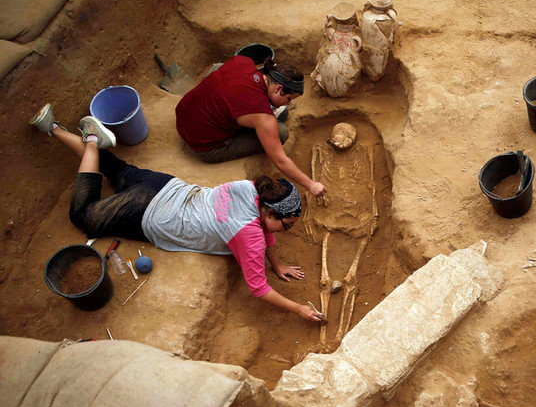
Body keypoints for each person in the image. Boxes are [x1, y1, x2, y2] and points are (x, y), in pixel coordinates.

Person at [29, 103, 325, 323]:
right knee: (84, 216)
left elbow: (266, 235)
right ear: (270, 213)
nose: (287, 231)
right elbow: (259, 289)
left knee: (114, 168)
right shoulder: (248, 235)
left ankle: (52, 126)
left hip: (163, 184)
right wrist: (299, 308)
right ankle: (93, 141)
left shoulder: (250, 188)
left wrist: (278, 263)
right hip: (146, 212)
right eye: (287, 225)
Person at [175, 54, 327, 198]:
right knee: (280, 132)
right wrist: (311, 185)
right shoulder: (263, 118)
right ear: (278, 88)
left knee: (220, 69)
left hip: (183, 116)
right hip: (204, 146)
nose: (288, 103)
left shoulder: (243, 62)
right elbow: (280, 160)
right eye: (288, 99)